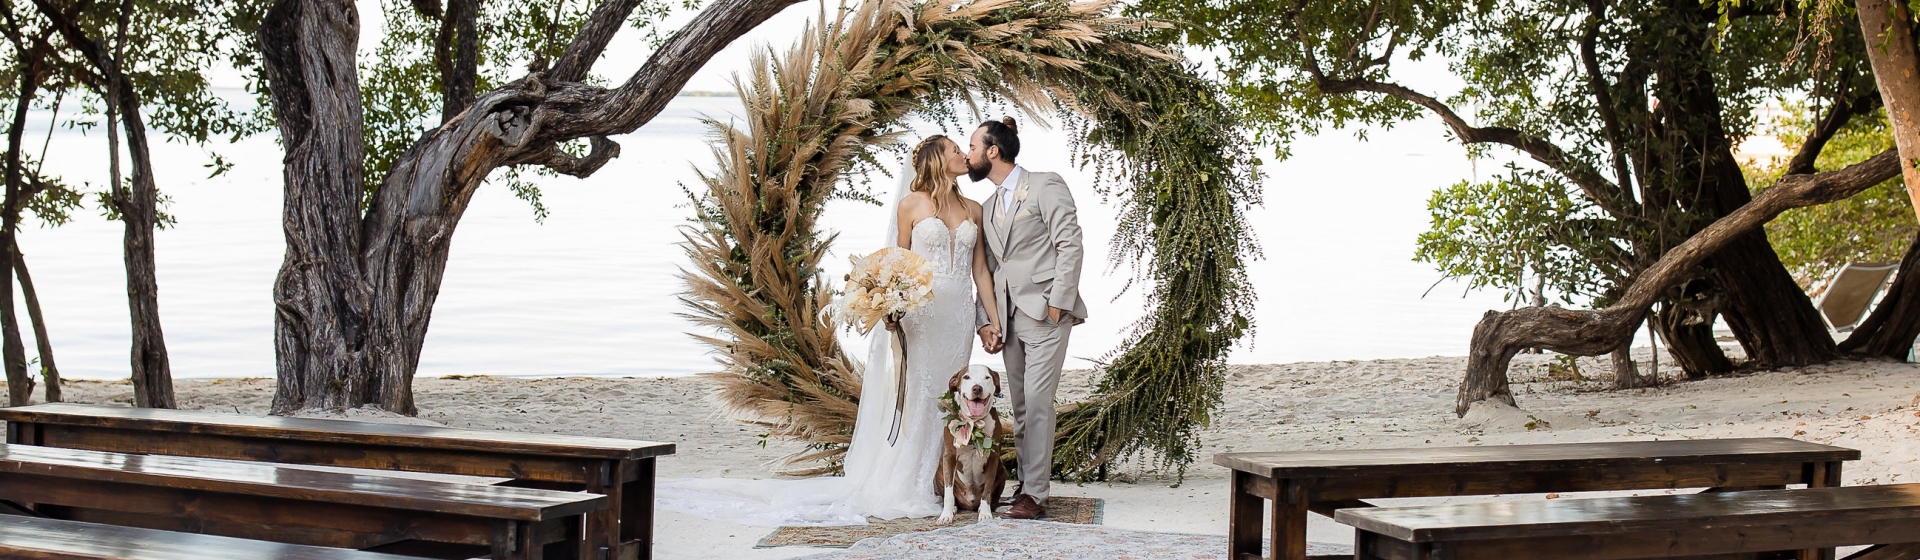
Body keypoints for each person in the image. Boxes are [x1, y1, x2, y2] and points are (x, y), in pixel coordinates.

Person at [655, 134, 1004, 526]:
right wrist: (890, 310)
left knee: (951, 397)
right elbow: (897, 265)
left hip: (956, 315)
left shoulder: (973, 208)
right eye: (955, 150)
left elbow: (981, 273)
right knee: (921, 395)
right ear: (938, 161)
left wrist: (989, 320)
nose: (962, 154)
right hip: (921, 317)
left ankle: (950, 486)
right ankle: (916, 484)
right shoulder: (911, 206)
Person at [969, 116, 1086, 521]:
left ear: (993, 152)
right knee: (1019, 405)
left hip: (1046, 312)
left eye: (972, 148)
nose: (968, 156)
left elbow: (1070, 242)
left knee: (1038, 402)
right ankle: (1026, 485)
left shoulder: (1044, 184)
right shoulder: (985, 207)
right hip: (1008, 320)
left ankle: (1034, 495)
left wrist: (1059, 300)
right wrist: (987, 320)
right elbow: (986, 268)